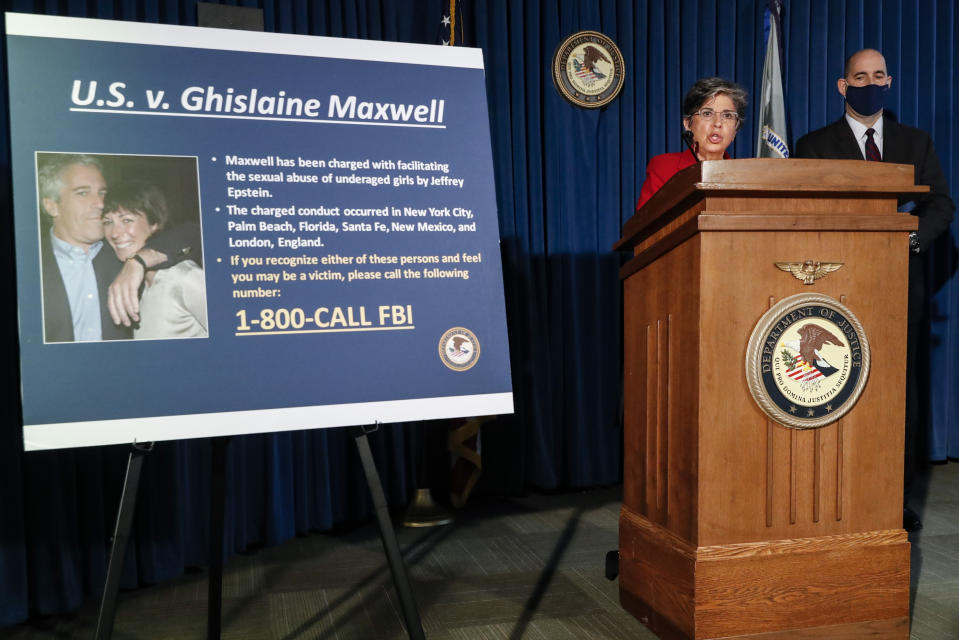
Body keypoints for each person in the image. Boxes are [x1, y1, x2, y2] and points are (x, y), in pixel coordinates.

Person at [795, 48, 955, 532]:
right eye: (860, 76)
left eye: (879, 75)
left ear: (890, 82)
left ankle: (892, 499)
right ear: (843, 87)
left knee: (894, 397)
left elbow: (941, 205)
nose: (871, 83)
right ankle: (832, 493)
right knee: (834, 389)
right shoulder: (813, 145)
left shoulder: (915, 142)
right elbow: (807, 214)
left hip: (899, 288)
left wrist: (907, 239)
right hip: (837, 289)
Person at [37, 153, 202, 342]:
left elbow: (193, 233)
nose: (100, 204)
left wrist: (138, 262)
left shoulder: (123, 252)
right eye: (83, 193)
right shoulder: (26, 263)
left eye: (102, 193)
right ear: (51, 206)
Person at [101, 181, 208, 339]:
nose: (115, 233)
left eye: (126, 220)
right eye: (108, 222)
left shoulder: (185, 278)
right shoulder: (138, 282)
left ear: (154, 223)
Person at [635, 77, 748, 210]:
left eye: (727, 115)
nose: (718, 123)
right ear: (688, 123)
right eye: (707, 113)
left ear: (735, 129)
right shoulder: (663, 168)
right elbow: (645, 225)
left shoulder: (745, 176)